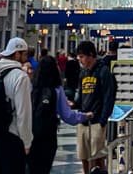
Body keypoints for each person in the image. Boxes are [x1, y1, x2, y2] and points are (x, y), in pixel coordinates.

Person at [29, 55, 90, 174]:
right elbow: (67, 116)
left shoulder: (31, 87)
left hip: (30, 134)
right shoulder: (56, 89)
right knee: (43, 168)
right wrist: (84, 116)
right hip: (48, 135)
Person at [0, 36, 32, 174]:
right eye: (25, 54)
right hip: (12, 138)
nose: (26, 57)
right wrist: (27, 142)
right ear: (17, 54)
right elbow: (24, 113)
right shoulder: (20, 77)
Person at [74, 40, 116, 174]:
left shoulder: (103, 72)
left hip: (97, 121)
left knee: (97, 158)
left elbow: (109, 97)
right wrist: (75, 107)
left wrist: (103, 120)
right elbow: (80, 96)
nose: (79, 60)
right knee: (84, 156)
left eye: (82, 56)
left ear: (91, 55)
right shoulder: (83, 73)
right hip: (83, 120)